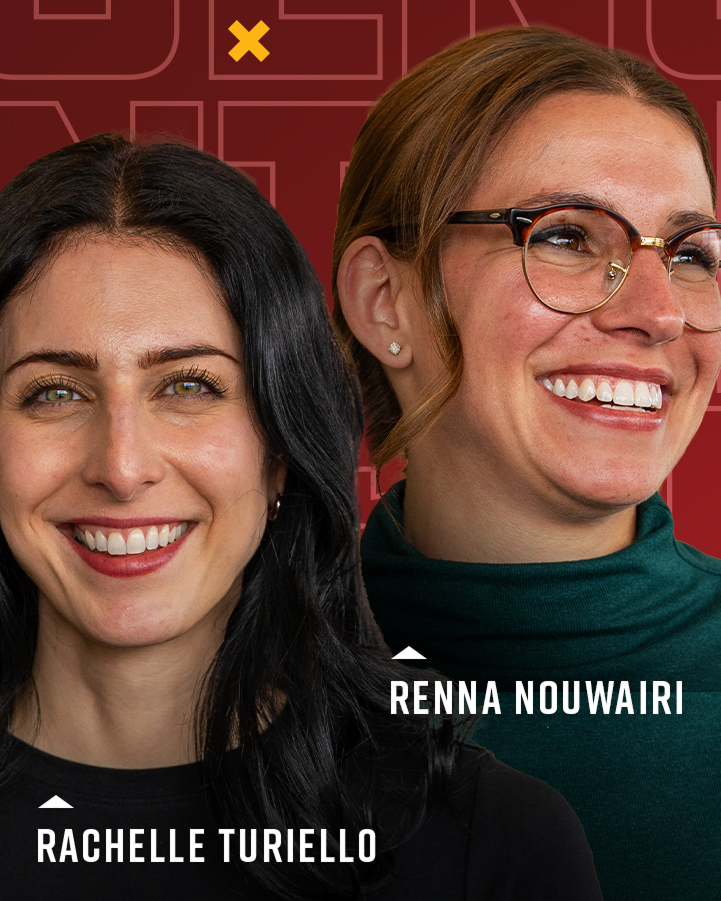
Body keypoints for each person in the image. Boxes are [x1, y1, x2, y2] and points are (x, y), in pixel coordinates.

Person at [0, 134, 602, 899]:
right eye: (54, 391)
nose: (121, 467)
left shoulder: (490, 841)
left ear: (280, 448)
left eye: (189, 386)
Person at [333, 26, 721, 901]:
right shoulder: (211, 679)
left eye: (691, 254)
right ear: (383, 298)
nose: (658, 313)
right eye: (564, 237)